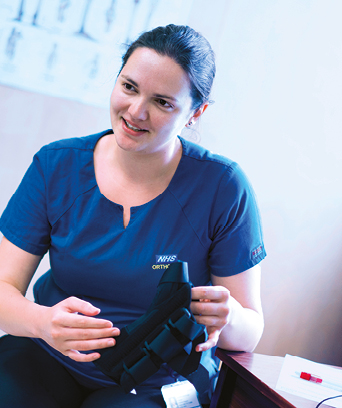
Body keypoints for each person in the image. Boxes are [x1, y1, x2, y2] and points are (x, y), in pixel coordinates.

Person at [0, 24, 266, 407]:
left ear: (196, 113)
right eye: (129, 87)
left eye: (163, 102)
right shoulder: (56, 166)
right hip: (50, 357)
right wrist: (43, 323)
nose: (136, 111)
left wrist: (230, 317)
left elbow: (249, 334)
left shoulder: (223, 187)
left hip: (160, 379)